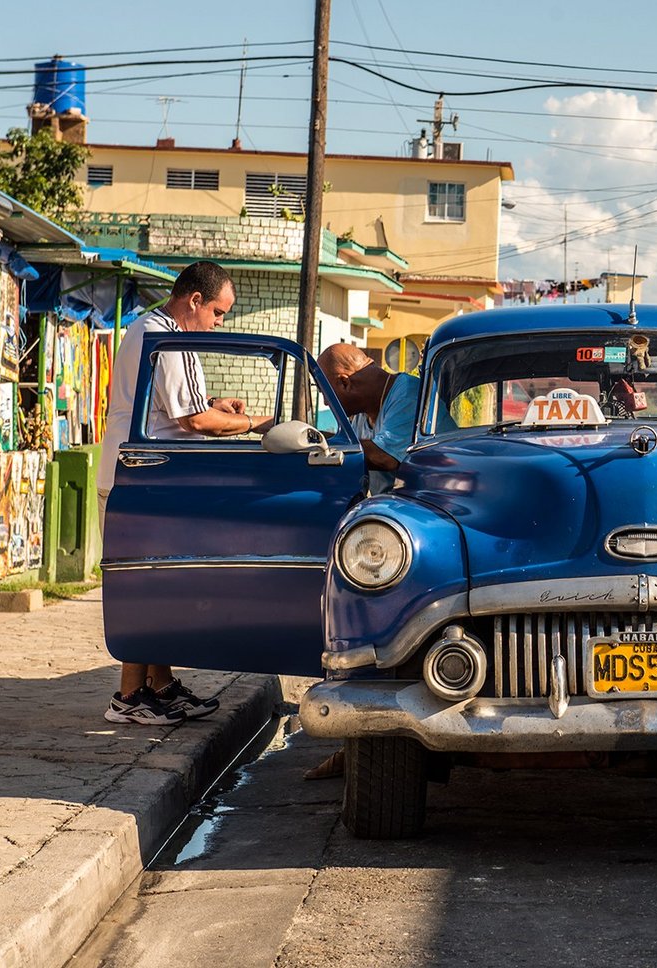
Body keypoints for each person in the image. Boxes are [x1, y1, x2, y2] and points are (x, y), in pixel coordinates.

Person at [99, 261, 274, 726]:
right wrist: (259, 424)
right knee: (145, 586)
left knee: (161, 586)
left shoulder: (158, 332)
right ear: (195, 300)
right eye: (218, 312)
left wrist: (215, 404)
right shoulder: (165, 339)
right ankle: (129, 696)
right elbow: (192, 422)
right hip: (143, 479)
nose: (220, 323)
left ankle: (159, 685)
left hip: (149, 478)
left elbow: (181, 408)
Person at [303, 343, 424, 780]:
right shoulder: (361, 411)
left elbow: (390, 458)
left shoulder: (407, 392)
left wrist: (329, 441)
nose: (334, 407)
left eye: (332, 397)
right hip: (382, 538)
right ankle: (357, 747)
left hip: (417, 536)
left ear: (344, 383)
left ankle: (373, 747)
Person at [316, 343, 422, 494]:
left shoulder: (408, 395)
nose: (326, 403)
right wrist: (310, 437)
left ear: (345, 383)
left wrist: (317, 444)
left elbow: (385, 457)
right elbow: (349, 445)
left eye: (325, 393)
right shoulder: (361, 413)